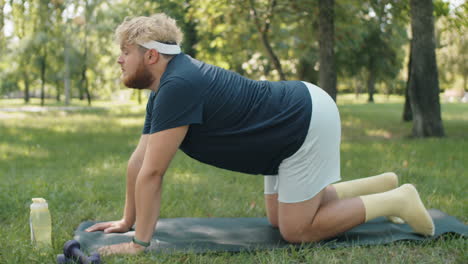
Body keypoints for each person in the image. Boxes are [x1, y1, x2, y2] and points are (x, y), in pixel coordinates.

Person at [85, 14, 434, 255]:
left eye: (125, 52)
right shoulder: (166, 88)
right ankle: (375, 185)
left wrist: (140, 243)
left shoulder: (178, 85)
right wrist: (127, 221)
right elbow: (138, 161)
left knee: (295, 231)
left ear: (151, 55)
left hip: (302, 121)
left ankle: (396, 199)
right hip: (283, 127)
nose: (119, 60)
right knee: (276, 219)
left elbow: (154, 173)